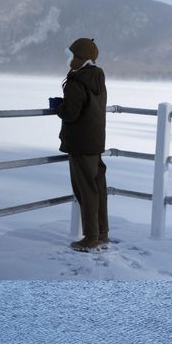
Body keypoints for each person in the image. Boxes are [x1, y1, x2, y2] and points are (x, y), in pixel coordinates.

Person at [50, 38, 108, 251]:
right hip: (95, 141)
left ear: (80, 58)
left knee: (86, 190)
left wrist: (59, 107)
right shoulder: (97, 78)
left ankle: (91, 237)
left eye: (72, 55)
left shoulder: (76, 82)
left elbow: (71, 113)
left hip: (80, 143)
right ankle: (102, 233)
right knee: (98, 188)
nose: (69, 59)